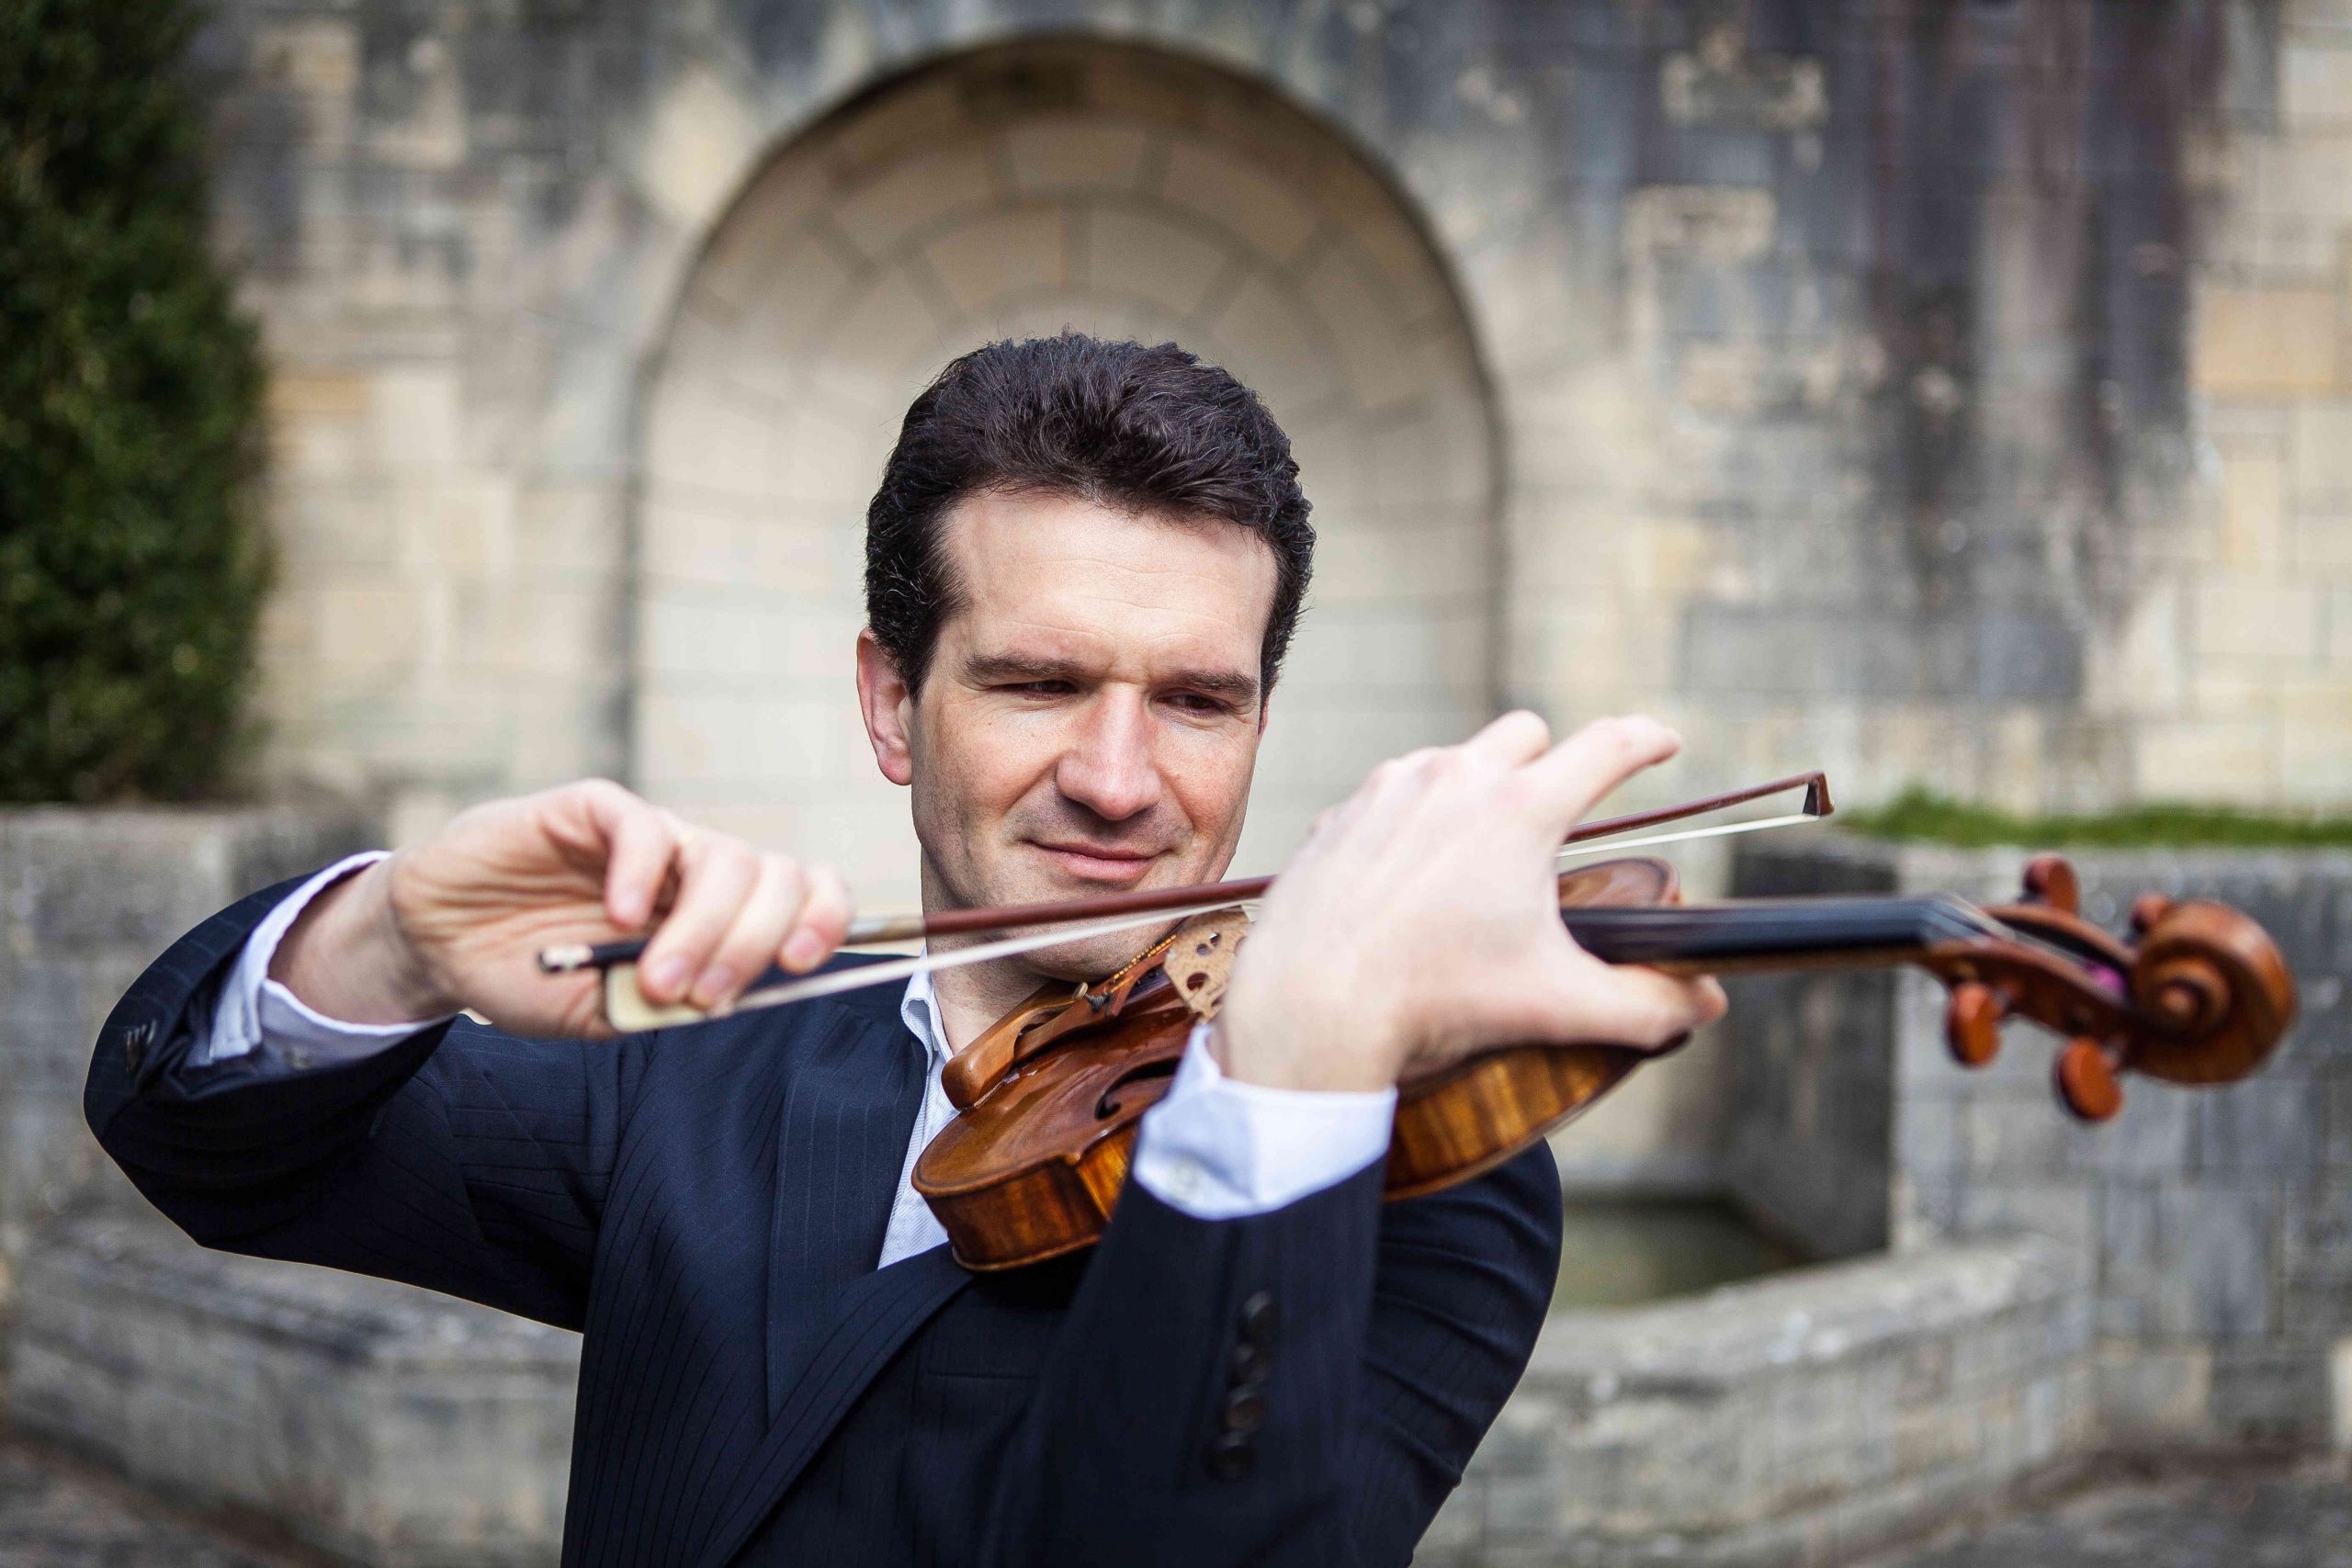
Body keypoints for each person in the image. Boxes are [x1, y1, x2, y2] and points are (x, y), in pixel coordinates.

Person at [87, 334, 1724, 1566]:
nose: (1116, 777)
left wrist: (1288, 1082)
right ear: (891, 701)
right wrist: (393, 938)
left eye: (1196, 701)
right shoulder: (701, 1038)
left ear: (1258, 724)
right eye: (1034, 683)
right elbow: (204, 1143)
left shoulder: (1423, 1173)